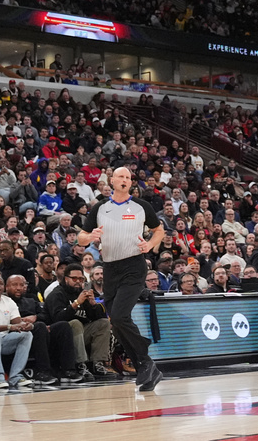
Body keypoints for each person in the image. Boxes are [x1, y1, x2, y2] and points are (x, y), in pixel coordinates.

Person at [79, 165, 165, 391]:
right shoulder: (100, 208)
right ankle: (146, 366)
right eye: (121, 176)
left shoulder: (141, 206)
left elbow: (159, 230)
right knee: (116, 322)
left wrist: (150, 244)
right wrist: (90, 235)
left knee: (119, 315)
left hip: (134, 266)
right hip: (109, 268)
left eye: (128, 177)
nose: (125, 180)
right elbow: (80, 238)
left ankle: (144, 358)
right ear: (112, 180)